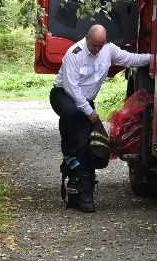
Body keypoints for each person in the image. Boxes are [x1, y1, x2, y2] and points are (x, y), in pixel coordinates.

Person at [49, 24, 151, 212]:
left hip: (85, 103)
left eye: (100, 45)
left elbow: (130, 59)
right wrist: (91, 114)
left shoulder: (108, 49)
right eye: (94, 45)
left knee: (90, 146)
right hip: (65, 96)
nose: (97, 50)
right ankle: (70, 154)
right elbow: (73, 90)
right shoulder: (75, 53)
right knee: (74, 120)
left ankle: (80, 192)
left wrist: (156, 59)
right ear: (87, 38)